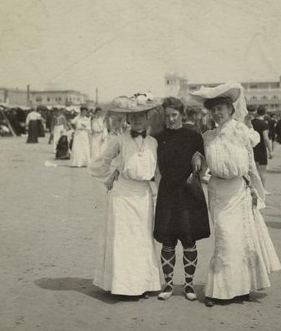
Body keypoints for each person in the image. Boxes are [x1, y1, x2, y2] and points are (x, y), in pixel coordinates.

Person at [189, 82, 281, 307]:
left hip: (238, 190)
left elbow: (249, 162)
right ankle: (219, 290)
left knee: (239, 240)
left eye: (221, 108)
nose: (217, 113)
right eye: (213, 109)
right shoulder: (208, 136)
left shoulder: (241, 131)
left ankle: (239, 288)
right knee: (224, 238)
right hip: (218, 191)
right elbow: (204, 163)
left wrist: (253, 190)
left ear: (231, 110)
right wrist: (198, 160)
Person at [89, 95, 161, 298]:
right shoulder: (119, 140)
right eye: (133, 116)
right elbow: (100, 161)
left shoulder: (154, 142)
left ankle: (143, 284)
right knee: (123, 239)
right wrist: (110, 176)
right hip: (122, 194)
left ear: (147, 117)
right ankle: (122, 286)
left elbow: (157, 172)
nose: (137, 119)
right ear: (128, 119)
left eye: (141, 115)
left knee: (142, 238)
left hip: (143, 195)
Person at [154, 97, 210, 301]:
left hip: (188, 194)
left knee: (188, 240)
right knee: (167, 241)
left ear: (181, 115)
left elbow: (205, 162)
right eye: (167, 116)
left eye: (174, 115)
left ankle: (189, 285)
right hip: (167, 194)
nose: (170, 119)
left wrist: (199, 156)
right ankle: (168, 285)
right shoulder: (157, 138)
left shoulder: (194, 136)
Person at [250, 106, 273, 187]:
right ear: (265, 113)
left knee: (253, 169)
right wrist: (270, 151)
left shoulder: (251, 122)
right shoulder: (264, 124)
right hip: (261, 147)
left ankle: (253, 187)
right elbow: (266, 138)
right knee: (262, 170)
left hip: (252, 147)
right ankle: (262, 188)